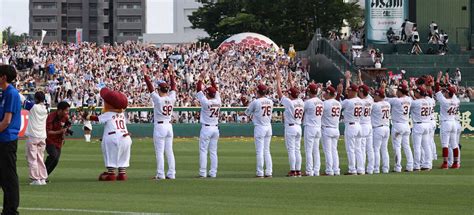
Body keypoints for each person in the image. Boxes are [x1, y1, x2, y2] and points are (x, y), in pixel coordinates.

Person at [84, 88, 132, 180]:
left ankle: (111, 174)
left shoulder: (109, 113)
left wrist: (86, 116)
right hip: (126, 137)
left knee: (110, 155)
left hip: (113, 137)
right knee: (123, 157)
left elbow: (97, 118)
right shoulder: (122, 114)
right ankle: (122, 174)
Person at [144, 65, 177, 180]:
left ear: (159, 90)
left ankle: (160, 174)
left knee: (159, 152)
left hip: (160, 126)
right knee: (169, 151)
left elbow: (150, 88)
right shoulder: (172, 97)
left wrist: (145, 75)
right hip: (169, 126)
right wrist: (172, 74)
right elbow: (173, 87)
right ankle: (171, 173)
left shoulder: (158, 99)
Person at [0, 64, 21, 215]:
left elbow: (7, 121)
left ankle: (11, 210)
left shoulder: (12, 93)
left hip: (7, 140)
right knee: (3, 176)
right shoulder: (4, 92)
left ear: (3, 77)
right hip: (2, 139)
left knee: (9, 177)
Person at [275, 70, 304, 177]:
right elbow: (294, 91)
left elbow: (280, 94)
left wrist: (278, 81)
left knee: (291, 149)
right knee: (297, 149)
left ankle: (293, 170)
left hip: (291, 127)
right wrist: (290, 82)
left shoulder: (290, 102)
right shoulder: (301, 101)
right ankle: (298, 170)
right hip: (299, 127)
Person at [243, 84, 274, 178]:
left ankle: (260, 172)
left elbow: (247, 112)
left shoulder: (256, 102)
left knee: (259, 151)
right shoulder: (270, 101)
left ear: (258, 92)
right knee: (267, 151)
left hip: (260, 127)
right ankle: (269, 172)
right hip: (268, 126)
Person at [196, 72, 221, 178]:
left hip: (206, 128)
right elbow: (216, 90)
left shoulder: (206, 102)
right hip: (215, 128)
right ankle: (213, 172)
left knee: (203, 151)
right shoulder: (218, 101)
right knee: (213, 152)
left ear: (208, 94)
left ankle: (202, 172)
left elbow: (198, 90)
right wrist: (211, 79)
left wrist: (201, 78)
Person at [386, 83, 414, 172]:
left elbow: (384, 100)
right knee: (407, 146)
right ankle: (410, 166)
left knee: (397, 147)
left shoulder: (395, 100)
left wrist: (390, 93)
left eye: (398, 90)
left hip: (398, 125)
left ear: (401, 91)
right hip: (406, 125)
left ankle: (398, 167)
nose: (396, 91)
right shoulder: (409, 99)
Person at [435, 72, 460, 169]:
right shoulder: (456, 100)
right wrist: (448, 80)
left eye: (445, 92)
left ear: (448, 93)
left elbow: (437, 90)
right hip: (453, 122)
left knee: (445, 144)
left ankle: (445, 163)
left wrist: (438, 79)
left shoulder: (445, 101)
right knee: (454, 144)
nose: (444, 92)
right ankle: (456, 163)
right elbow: (452, 92)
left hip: (446, 123)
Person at [23, 91, 49, 185]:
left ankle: (35, 179)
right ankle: (42, 178)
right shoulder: (46, 108)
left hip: (33, 136)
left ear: (36, 99)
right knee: (40, 158)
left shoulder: (33, 107)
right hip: (42, 136)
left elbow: (22, 100)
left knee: (32, 158)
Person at [341, 73, 364, 175]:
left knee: (351, 149)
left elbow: (340, 105)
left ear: (353, 91)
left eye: (349, 90)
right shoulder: (361, 101)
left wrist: (347, 80)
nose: (347, 91)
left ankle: (352, 169)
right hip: (359, 125)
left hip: (351, 126)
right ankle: (360, 169)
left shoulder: (348, 102)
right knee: (358, 149)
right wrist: (348, 80)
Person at [45, 101, 71, 176]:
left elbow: (68, 124)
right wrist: (60, 131)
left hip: (59, 142)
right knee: (53, 156)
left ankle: (44, 175)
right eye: (66, 110)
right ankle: (41, 174)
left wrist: (66, 131)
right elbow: (48, 132)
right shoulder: (51, 117)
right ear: (60, 110)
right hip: (49, 140)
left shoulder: (65, 117)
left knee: (56, 160)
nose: (67, 112)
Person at [302, 83, 323, 177]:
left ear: (309, 91)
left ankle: (309, 171)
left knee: (309, 150)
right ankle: (316, 170)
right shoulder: (321, 102)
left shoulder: (308, 102)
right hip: (318, 127)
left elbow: (301, 109)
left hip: (310, 127)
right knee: (316, 150)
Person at [410, 86, 432, 171]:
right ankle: (427, 164)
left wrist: (411, 96)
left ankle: (417, 165)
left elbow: (410, 105)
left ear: (419, 93)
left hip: (418, 125)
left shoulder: (415, 103)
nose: (414, 93)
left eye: (416, 92)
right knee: (426, 146)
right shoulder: (428, 101)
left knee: (417, 147)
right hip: (427, 124)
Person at [321, 85, 341, 176]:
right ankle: (336, 169)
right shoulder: (338, 103)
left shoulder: (325, 103)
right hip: (335, 129)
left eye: (325, 92)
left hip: (327, 128)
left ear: (329, 93)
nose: (324, 93)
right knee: (334, 150)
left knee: (328, 151)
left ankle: (329, 170)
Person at [371, 88, 391, 174]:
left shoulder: (375, 105)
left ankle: (376, 168)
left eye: (375, 95)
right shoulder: (387, 104)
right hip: (386, 127)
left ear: (378, 95)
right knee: (384, 149)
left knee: (376, 149)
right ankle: (385, 168)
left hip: (378, 128)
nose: (374, 97)